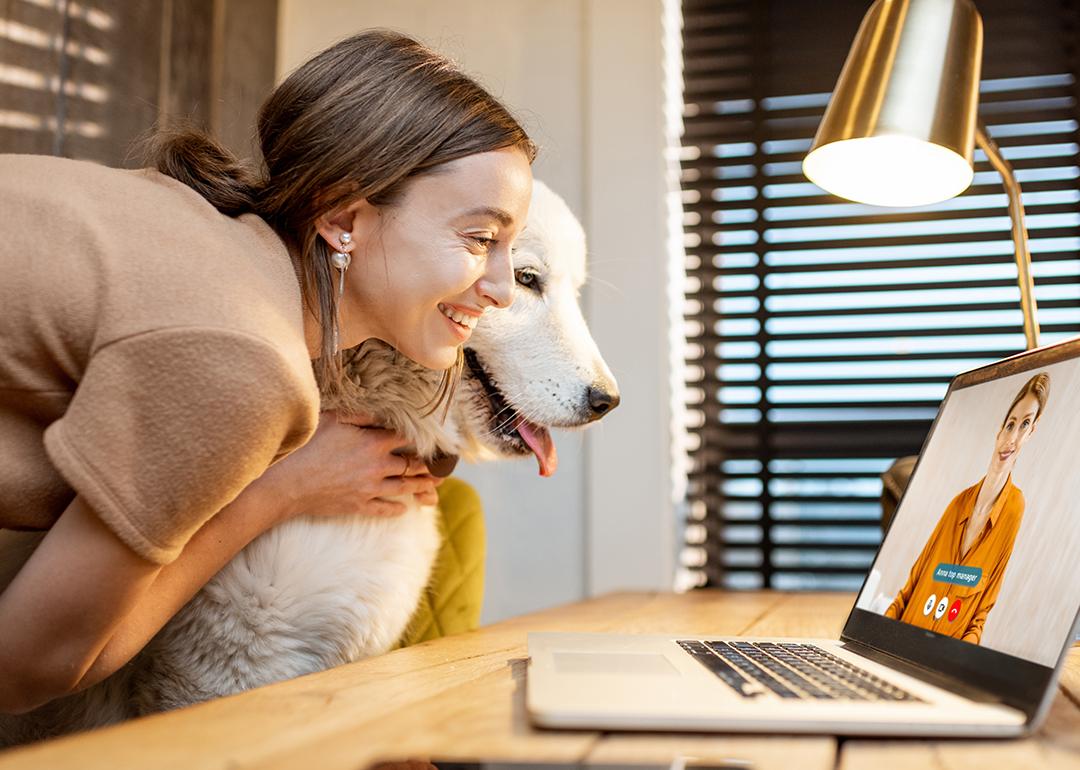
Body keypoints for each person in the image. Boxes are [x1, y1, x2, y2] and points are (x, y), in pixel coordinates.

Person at [0, 29, 534, 715]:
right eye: (480, 239)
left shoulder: (198, 231)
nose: (501, 288)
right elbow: (28, 663)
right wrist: (275, 491)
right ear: (345, 218)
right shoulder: (243, 355)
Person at [884, 372, 1050, 643]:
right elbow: (907, 593)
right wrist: (877, 639)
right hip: (899, 643)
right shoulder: (958, 503)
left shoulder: (1013, 508)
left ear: (1032, 431)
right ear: (999, 430)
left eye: (1025, 425)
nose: (1012, 439)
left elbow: (980, 616)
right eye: (1010, 424)